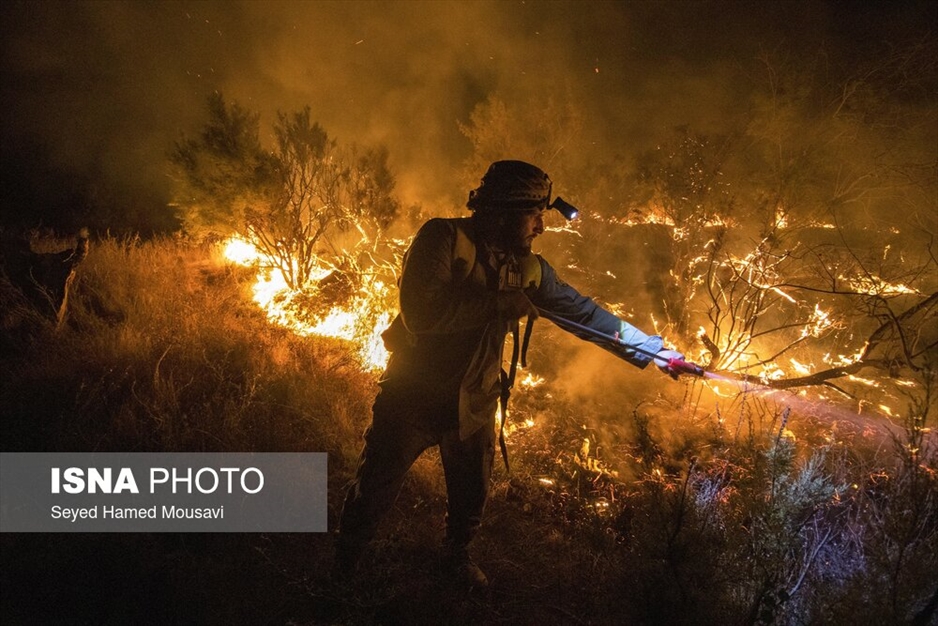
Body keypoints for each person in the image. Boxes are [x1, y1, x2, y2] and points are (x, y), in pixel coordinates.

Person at [334, 160, 685, 588]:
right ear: (500, 211)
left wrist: (655, 351)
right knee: (376, 484)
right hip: (413, 393)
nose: (541, 227)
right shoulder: (442, 238)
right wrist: (499, 304)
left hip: (476, 398)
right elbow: (421, 315)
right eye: (534, 216)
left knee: (471, 495)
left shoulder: (530, 268)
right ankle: (345, 561)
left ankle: (456, 556)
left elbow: (584, 314)